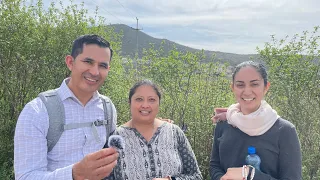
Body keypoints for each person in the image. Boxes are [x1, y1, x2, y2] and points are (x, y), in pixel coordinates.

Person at [14, 34, 119, 180]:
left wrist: (149, 124)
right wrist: (75, 173)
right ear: (70, 62)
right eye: (88, 61)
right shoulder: (37, 111)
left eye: (102, 65)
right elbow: (25, 176)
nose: (95, 72)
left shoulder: (108, 108)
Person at [210, 61, 302, 180]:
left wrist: (250, 174)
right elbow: (215, 165)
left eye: (254, 84)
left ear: (266, 87)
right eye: (240, 85)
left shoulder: (284, 130)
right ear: (232, 87)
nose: (247, 91)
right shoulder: (223, 124)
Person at [106, 79, 203, 180]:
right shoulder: (116, 138)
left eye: (151, 100)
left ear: (159, 103)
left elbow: (196, 176)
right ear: (129, 102)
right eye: (139, 99)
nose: (145, 105)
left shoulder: (174, 132)